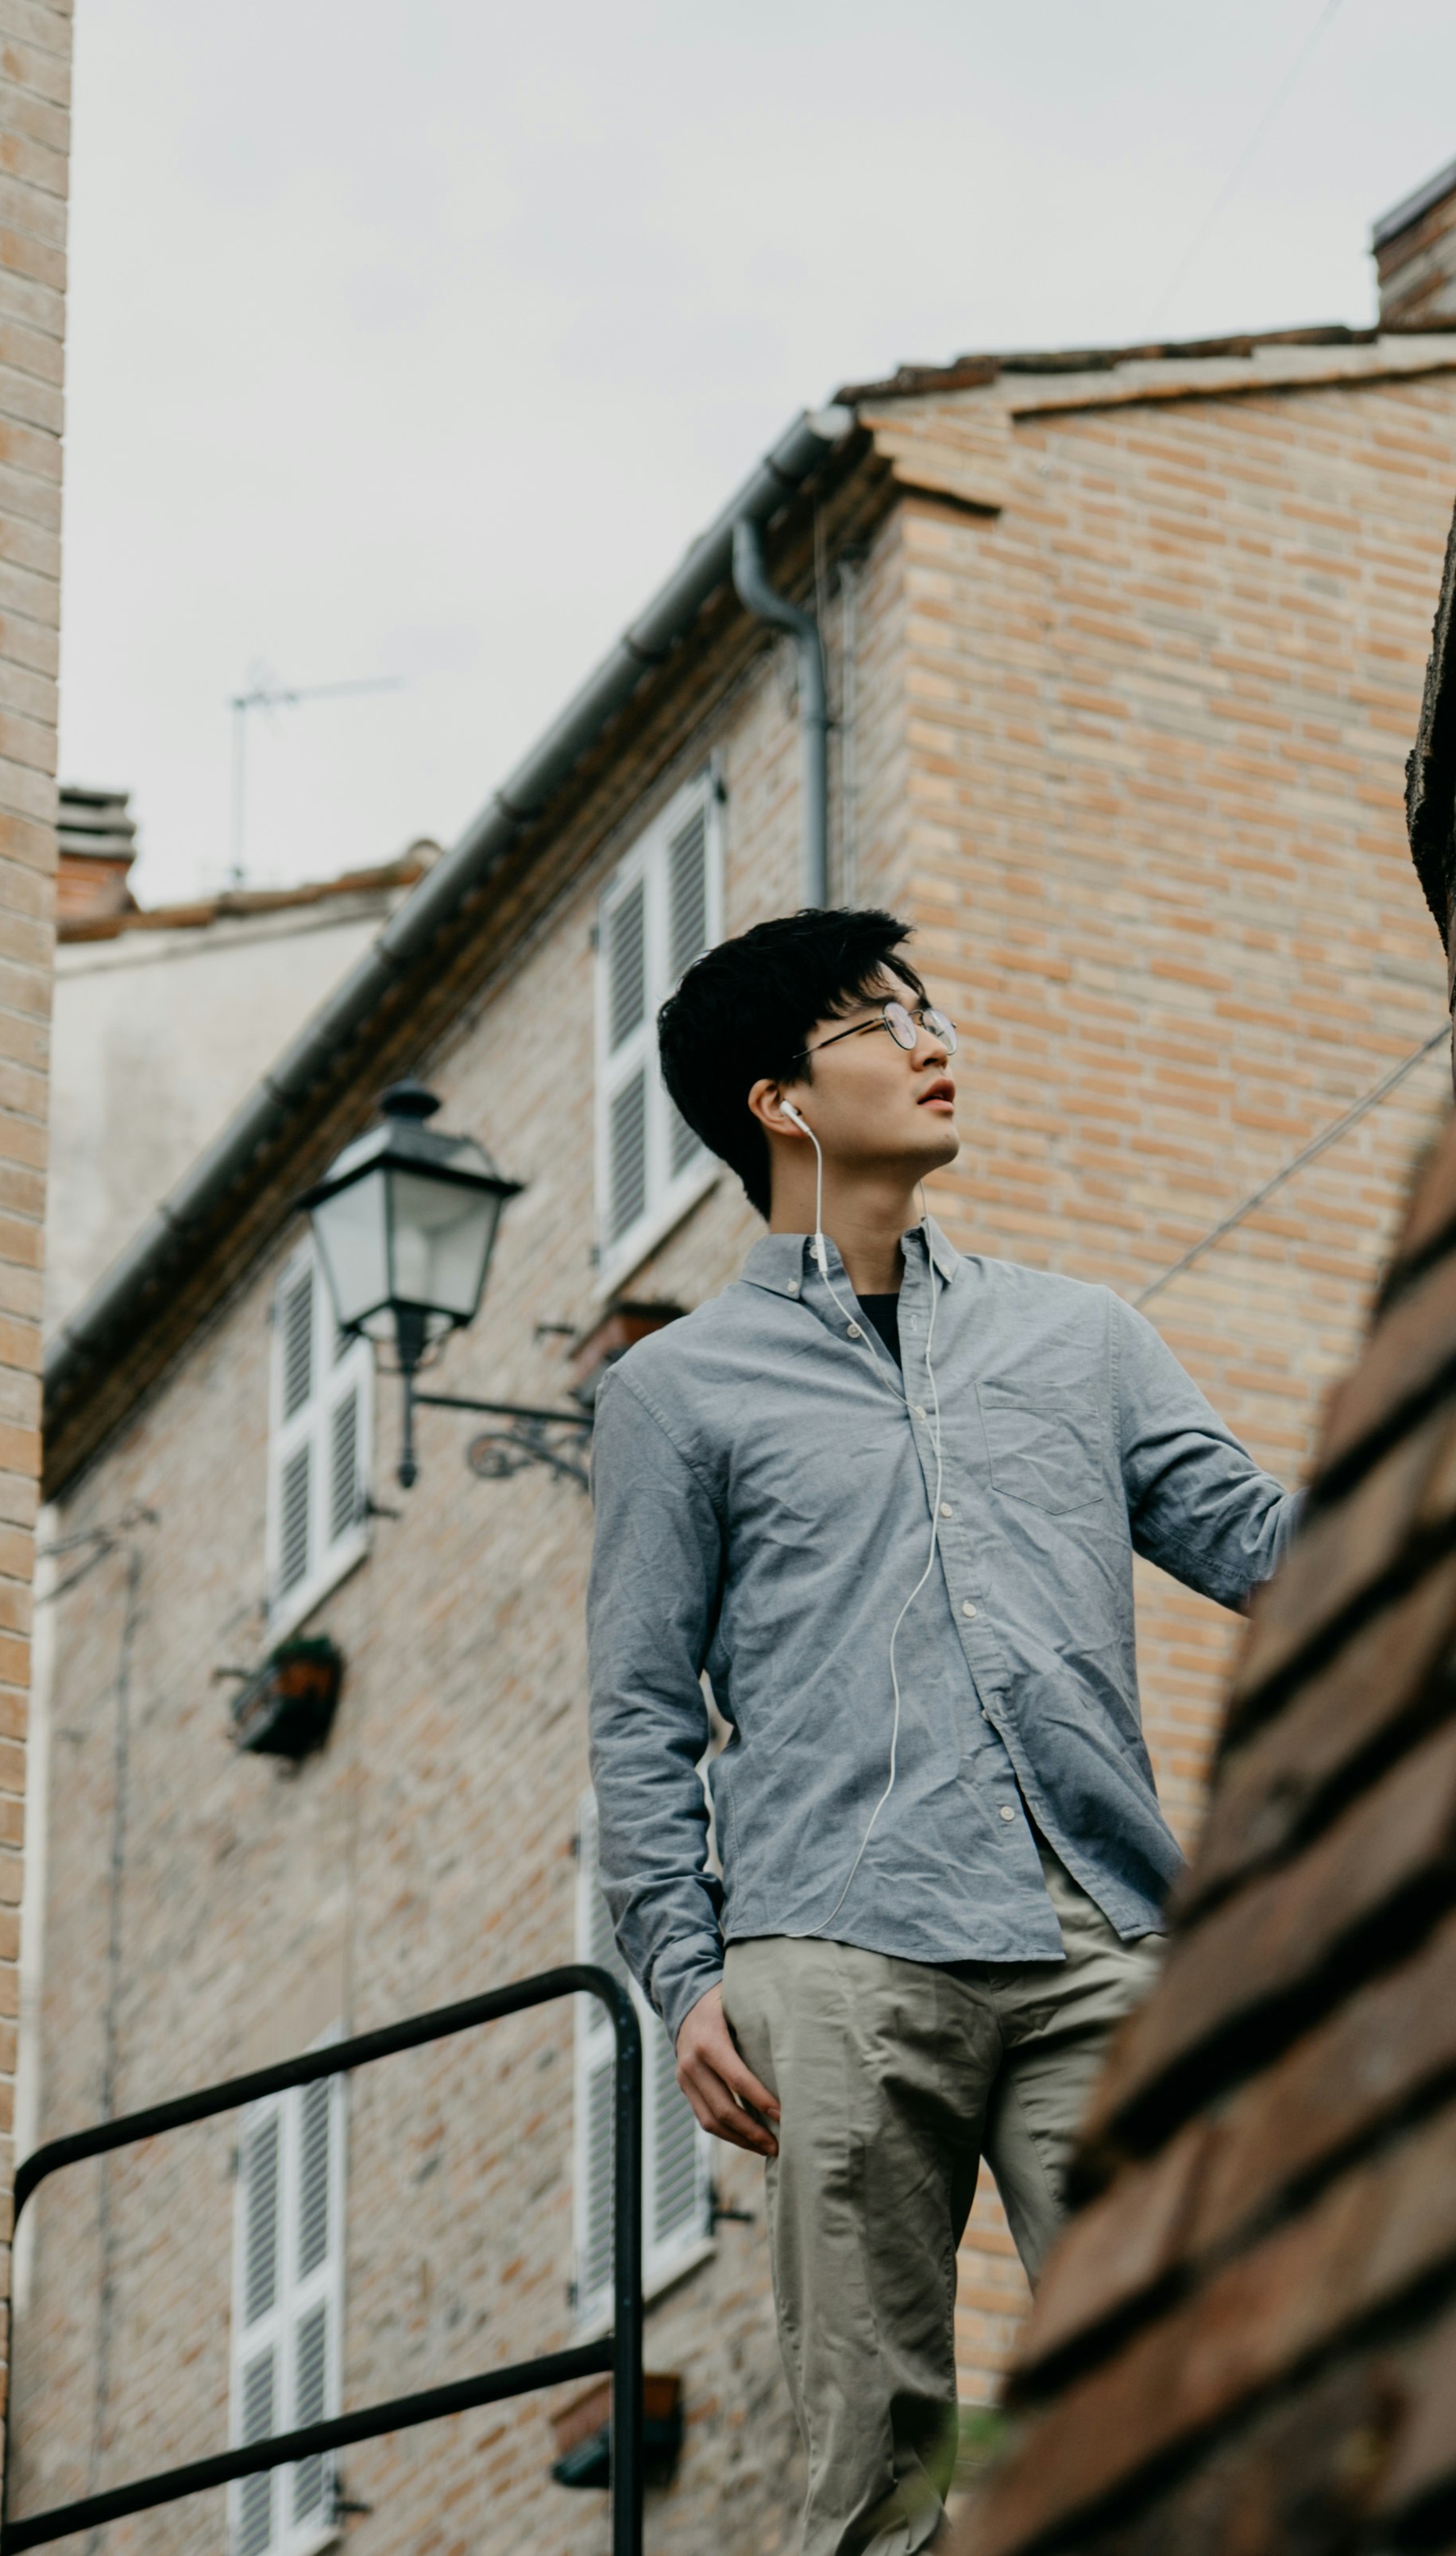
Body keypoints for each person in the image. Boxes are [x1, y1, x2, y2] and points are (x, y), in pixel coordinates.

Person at [586, 907, 1298, 2554]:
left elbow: (1262, 1542)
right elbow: (636, 1714)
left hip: (1102, 1938)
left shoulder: (1080, 1338)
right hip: (835, 1955)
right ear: (778, 1099)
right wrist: (682, 1973)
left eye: (927, 1005)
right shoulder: (677, 1396)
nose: (929, 1036)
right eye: (876, 1020)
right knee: (877, 2465)